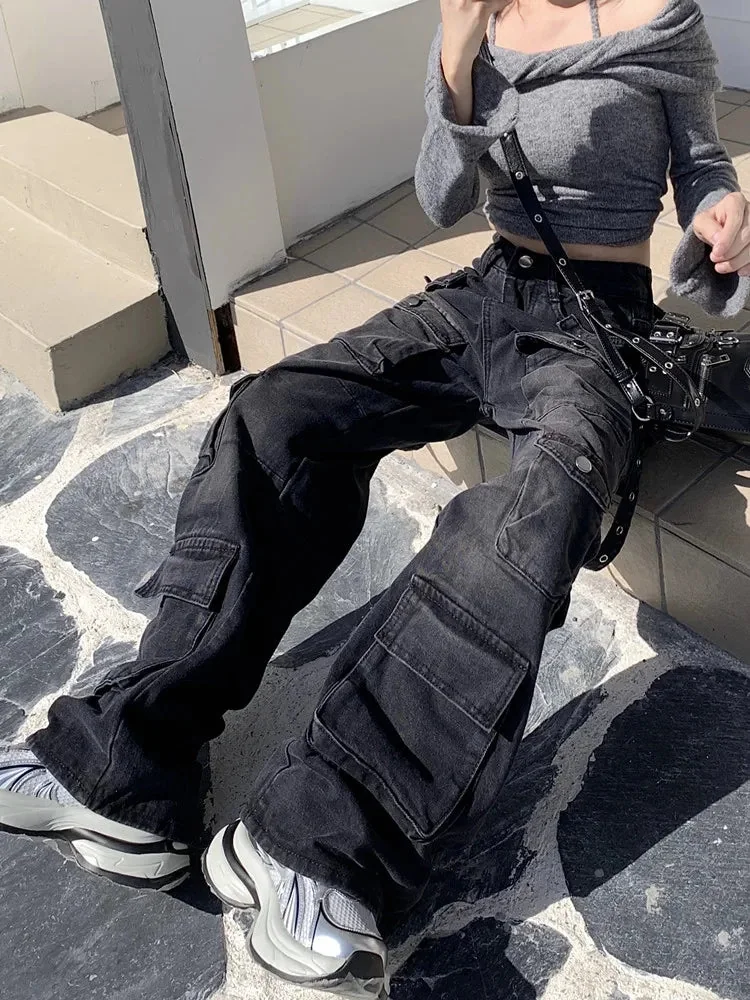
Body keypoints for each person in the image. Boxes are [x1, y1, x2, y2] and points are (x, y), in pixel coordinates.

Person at [2, 0, 749, 996]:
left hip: (594, 325)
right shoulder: (475, 19)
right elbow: (441, 196)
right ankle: (127, 765)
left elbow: (700, 163)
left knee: (520, 523)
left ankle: (320, 841)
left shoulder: (661, 20)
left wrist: (717, 213)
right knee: (278, 412)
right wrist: (456, 60)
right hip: (484, 294)